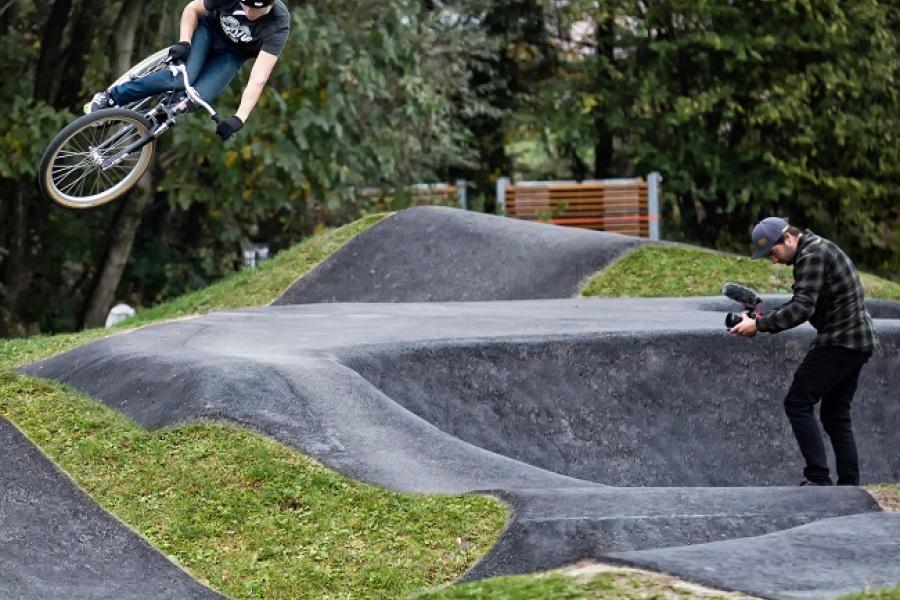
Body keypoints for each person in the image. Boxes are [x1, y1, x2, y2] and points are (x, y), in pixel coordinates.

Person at [730, 216, 878, 486]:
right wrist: (758, 317)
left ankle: (818, 478)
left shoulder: (812, 254)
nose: (774, 261)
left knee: (797, 402)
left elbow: (801, 310)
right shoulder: (815, 249)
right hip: (856, 341)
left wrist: (760, 325)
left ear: (787, 237)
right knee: (835, 415)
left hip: (840, 341)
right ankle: (849, 486)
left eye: (772, 253)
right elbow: (800, 300)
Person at [90, 0, 291, 140]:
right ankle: (111, 97)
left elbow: (259, 77)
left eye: (256, 10)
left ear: (271, 4)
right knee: (180, 77)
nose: (248, 13)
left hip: (232, 55)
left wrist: (240, 118)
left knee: (194, 99)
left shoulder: (279, 24)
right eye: (244, 5)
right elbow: (192, 8)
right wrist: (184, 42)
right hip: (209, 33)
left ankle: (148, 118)